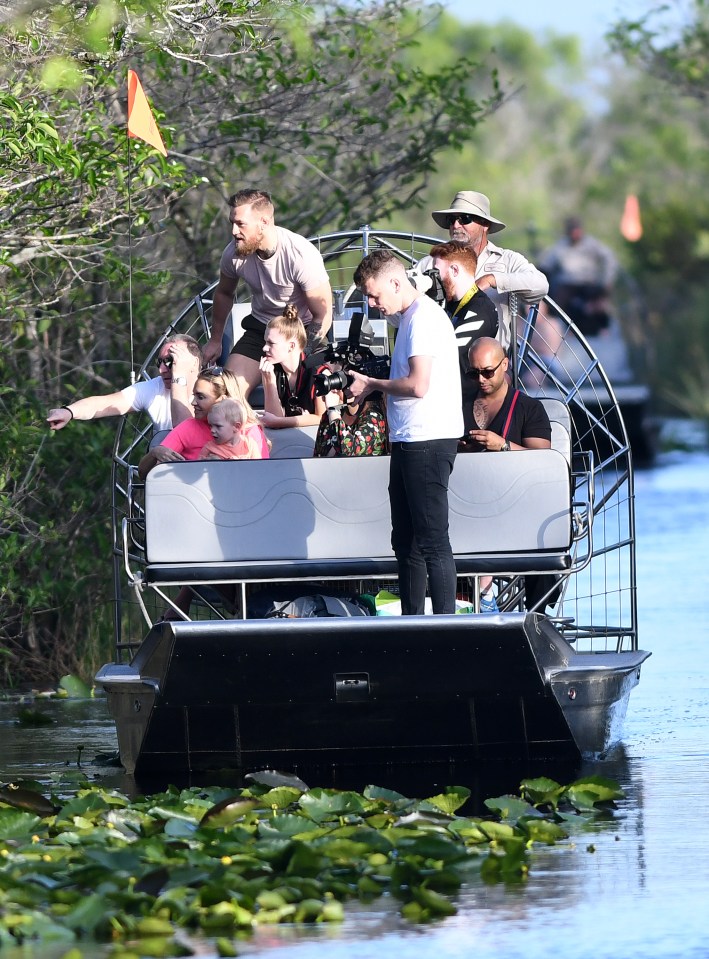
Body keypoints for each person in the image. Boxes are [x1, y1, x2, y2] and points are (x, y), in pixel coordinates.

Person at [347, 249, 463, 616]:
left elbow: (418, 385)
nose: (372, 303)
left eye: (375, 294)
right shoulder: (410, 320)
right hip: (409, 439)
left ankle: (445, 626)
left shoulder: (423, 320)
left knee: (432, 540)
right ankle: (413, 620)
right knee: (406, 542)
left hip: (428, 440)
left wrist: (371, 384)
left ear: (396, 282)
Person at [206, 188, 333, 396]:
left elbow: (323, 314)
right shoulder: (233, 253)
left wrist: (300, 354)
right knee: (227, 395)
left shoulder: (300, 254)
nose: (234, 231)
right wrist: (215, 340)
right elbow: (223, 294)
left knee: (316, 393)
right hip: (260, 329)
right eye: (232, 223)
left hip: (301, 331)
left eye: (240, 224)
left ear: (264, 222)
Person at [459, 336, 552, 613]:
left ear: (505, 365)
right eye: (474, 373)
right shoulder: (457, 406)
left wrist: (503, 446)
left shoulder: (529, 409)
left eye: (488, 372)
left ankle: (525, 608)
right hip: (465, 503)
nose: (481, 380)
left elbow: (545, 463)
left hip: (514, 507)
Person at [423, 191, 548, 350]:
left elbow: (540, 285)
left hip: (490, 369)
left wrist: (492, 280)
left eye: (464, 219)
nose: (455, 225)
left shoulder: (506, 260)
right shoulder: (430, 263)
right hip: (443, 361)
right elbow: (396, 312)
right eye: (451, 219)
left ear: (485, 224)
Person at [47, 334, 202, 433]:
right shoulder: (155, 387)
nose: (162, 369)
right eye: (159, 362)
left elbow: (185, 428)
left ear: (194, 363)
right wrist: (69, 411)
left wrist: (179, 376)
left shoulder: (215, 388)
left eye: (170, 362)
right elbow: (102, 404)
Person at [138, 368, 268, 478]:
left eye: (201, 397)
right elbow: (143, 474)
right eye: (194, 396)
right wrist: (155, 453)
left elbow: (264, 476)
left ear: (222, 400)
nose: (193, 402)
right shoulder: (189, 427)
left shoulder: (249, 430)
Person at [429, 240, 499, 406]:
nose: (434, 281)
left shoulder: (480, 309)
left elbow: (444, 353)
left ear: (454, 270)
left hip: (468, 405)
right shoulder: (448, 304)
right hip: (448, 401)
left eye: (437, 274)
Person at [538, 216, 620, 335]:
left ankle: (602, 329)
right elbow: (546, 264)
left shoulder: (591, 244)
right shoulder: (561, 246)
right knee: (557, 301)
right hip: (567, 284)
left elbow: (609, 258)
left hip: (589, 282)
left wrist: (607, 280)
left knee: (599, 302)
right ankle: (560, 329)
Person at [258, 305, 330, 429]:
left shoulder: (318, 371)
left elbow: (321, 417)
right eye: (265, 342)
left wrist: (282, 421)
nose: (264, 348)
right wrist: (269, 382)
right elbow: (273, 418)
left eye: (271, 343)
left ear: (291, 346)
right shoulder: (272, 370)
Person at [313, 383, 389, 457]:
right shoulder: (330, 415)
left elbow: (347, 452)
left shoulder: (374, 418)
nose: (335, 390)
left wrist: (333, 411)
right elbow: (318, 454)